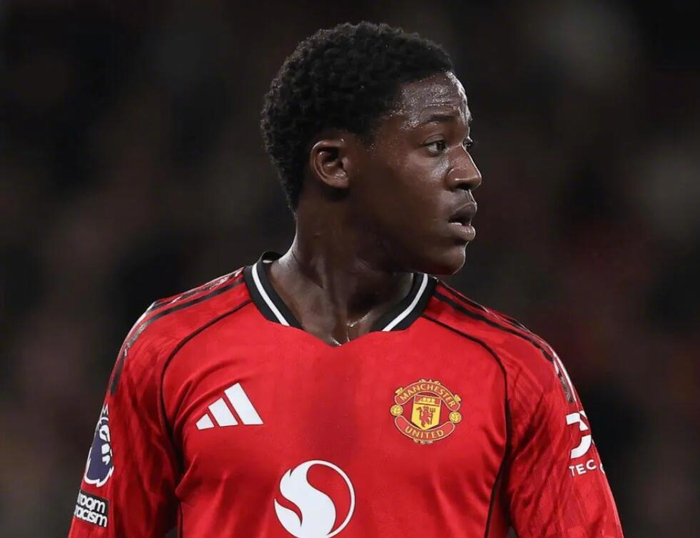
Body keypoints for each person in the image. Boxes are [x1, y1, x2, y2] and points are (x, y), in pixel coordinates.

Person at [68, 22, 624, 538]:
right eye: (437, 145)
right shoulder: (170, 348)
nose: (468, 173)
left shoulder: (516, 371)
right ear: (334, 163)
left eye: (465, 146)